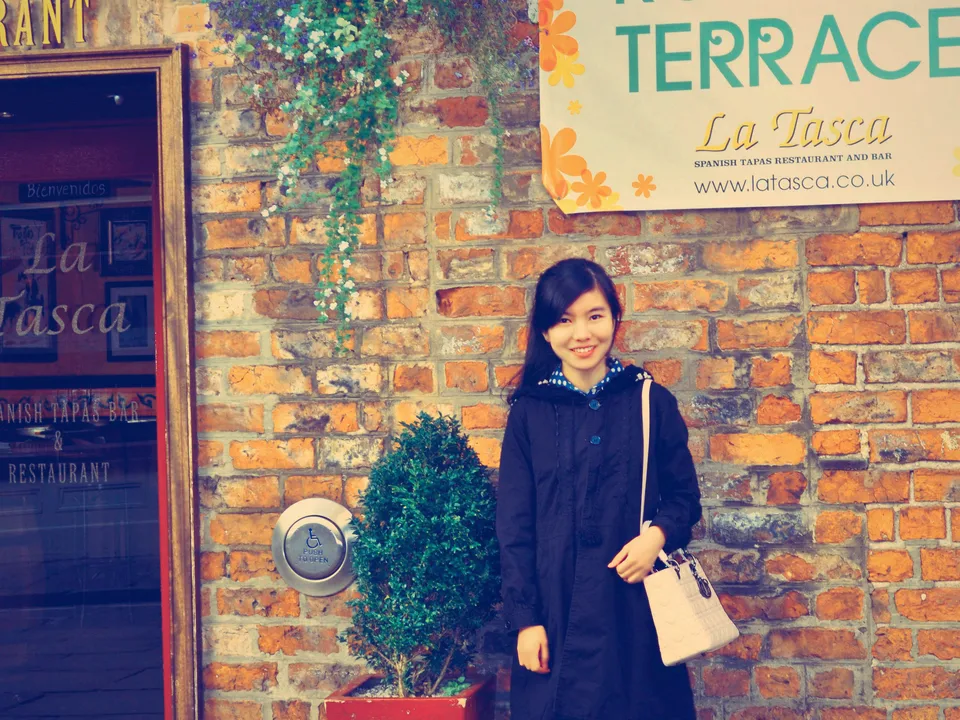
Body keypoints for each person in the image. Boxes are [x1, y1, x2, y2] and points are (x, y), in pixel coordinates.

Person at [496, 258, 702, 720]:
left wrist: (655, 538)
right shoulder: (530, 412)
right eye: (564, 320)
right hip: (554, 615)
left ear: (614, 318)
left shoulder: (650, 401)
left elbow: (684, 498)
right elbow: (514, 526)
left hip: (634, 610)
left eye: (594, 316)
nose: (582, 334)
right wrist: (525, 621)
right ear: (546, 331)